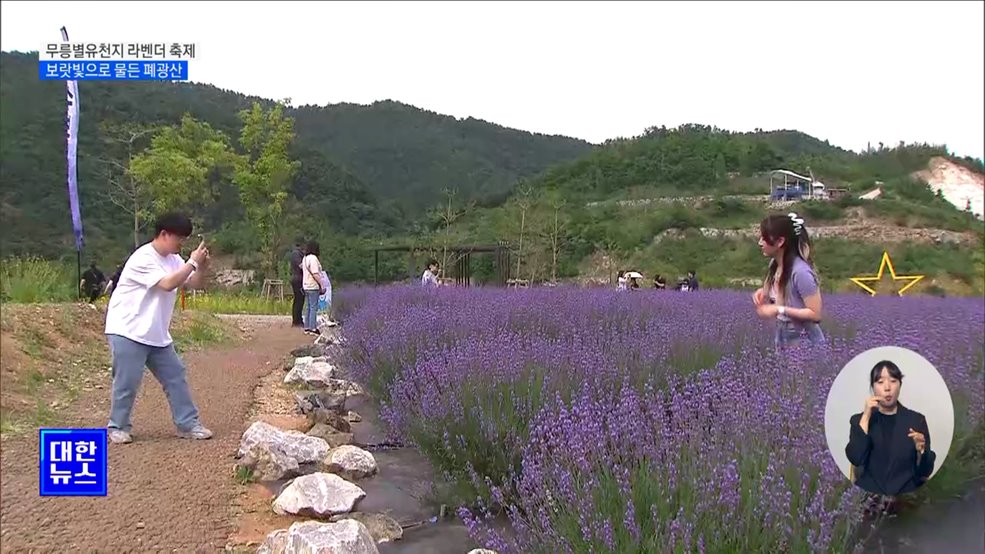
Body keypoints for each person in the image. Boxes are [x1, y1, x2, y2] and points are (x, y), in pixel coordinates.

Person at [103, 212, 213, 444]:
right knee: (127, 380)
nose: (182, 243)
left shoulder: (173, 260)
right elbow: (167, 284)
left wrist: (201, 267)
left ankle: (188, 424)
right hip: (128, 329)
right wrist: (192, 262)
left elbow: (191, 283)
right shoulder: (143, 258)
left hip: (156, 334)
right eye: (179, 238)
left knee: (175, 376)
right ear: (164, 234)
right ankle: (118, 426)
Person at [845, 360, 936, 496]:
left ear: (900, 385)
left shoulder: (916, 420)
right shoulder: (859, 420)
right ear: (873, 387)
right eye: (880, 382)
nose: (887, 388)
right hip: (869, 495)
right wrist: (866, 416)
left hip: (906, 496)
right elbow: (856, 458)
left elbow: (925, 472)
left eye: (893, 381)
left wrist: (921, 452)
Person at [752, 212, 825, 348]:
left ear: (780, 242)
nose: (760, 243)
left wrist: (779, 310)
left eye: (764, 238)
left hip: (804, 341)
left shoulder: (800, 272)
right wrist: (764, 292)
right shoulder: (775, 266)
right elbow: (788, 294)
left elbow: (815, 314)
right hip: (783, 334)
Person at [301, 240, 328, 335]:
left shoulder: (305, 258)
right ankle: (313, 328)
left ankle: (307, 327)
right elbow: (315, 273)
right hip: (313, 286)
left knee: (308, 307)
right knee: (313, 307)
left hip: (305, 285)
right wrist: (322, 284)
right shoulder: (313, 259)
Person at [289, 238, 306, 328]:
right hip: (297, 279)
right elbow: (301, 266)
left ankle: (298, 319)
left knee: (299, 300)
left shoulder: (297, 253)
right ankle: (297, 320)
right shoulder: (296, 254)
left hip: (298, 278)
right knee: (298, 300)